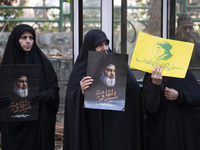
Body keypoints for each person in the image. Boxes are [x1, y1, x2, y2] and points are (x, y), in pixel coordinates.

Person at [63, 29, 146, 150]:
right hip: (91, 129)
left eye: (106, 44)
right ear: (90, 47)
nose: (105, 48)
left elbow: (134, 92)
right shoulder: (81, 69)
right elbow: (71, 99)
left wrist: (122, 84)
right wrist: (80, 92)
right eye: (100, 45)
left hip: (114, 128)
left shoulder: (117, 65)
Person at [0, 24, 60, 150]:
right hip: (13, 128)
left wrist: (45, 95)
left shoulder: (44, 64)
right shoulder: (7, 65)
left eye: (31, 38)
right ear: (16, 40)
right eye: (23, 38)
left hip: (36, 126)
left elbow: (54, 90)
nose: (28, 41)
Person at [143, 66, 200, 150]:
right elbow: (151, 108)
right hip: (161, 132)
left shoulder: (182, 71)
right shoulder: (150, 75)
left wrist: (179, 96)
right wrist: (156, 85)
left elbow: (196, 96)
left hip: (180, 131)